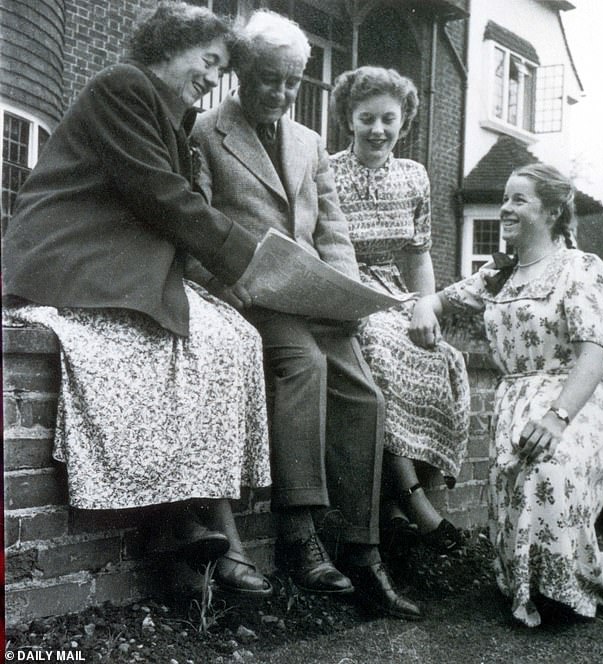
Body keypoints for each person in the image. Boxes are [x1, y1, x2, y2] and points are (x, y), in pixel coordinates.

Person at [2, 2, 273, 596]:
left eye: (220, 69)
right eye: (208, 61)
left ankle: (182, 526)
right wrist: (244, 257)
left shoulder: (169, 117)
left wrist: (228, 278)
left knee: (229, 337)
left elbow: (169, 212)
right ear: (168, 47)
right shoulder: (123, 86)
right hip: (69, 252)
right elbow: (159, 194)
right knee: (169, 340)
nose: (212, 77)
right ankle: (187, 525)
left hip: (113, 260)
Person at [191, 9, 421, 619]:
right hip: (256, 295)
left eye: (294, 81)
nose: (284, 93)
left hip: (316, 297)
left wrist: (348, 294)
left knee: (364, 394)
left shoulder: (310, 141)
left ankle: (362, 551)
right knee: (302, 365)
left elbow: (333, 228)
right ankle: (297, 535)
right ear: (241, 72)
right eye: (271, 79)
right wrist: (224, 282)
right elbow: (194, 228)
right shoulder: (205, 134)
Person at [415, 162, 603, 626]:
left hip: (574, 404)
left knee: (548, 469)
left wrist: (556, 419)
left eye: (519, 199)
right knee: (525, 564)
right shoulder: (499, 276)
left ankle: (569, 589)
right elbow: (440, 300)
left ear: (554, 210)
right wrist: (423, 307)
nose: (505, 208)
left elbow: (592, 358)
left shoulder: (581, 269)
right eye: (505, 199)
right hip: (514, 408)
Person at [329, 66, 470, 555]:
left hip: (396, 290)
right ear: (349, 118)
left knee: (443, 357)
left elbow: (418, 253)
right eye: (366, 118)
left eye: (388, 119)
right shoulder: (326, 170)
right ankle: (414, 505)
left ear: (404, 122)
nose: (377, 130)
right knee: (382, 350)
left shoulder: (414, 177)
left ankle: (394, 504)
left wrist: (425, 307)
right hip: (347, 287)